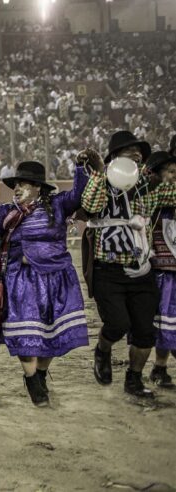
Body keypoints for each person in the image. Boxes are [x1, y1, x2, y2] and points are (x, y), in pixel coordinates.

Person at [0, 157, 96, 406]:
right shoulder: (7, 213)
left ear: (39, 187)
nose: (17, 189)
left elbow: (78, 194)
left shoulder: (58, 204)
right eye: (16, 184)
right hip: (21, 280)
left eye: (24, 184)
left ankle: (40, 373)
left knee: (50, 333)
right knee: (25, 332)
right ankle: (31, 379)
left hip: (57, 279)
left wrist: (81, 168)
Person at [83, 131, 176, 398]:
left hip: (142, 268)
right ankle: (102, 349)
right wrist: (101, 173)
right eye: (129, 150)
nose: (137, 154)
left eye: (139, 151)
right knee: (117, 324)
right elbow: (90, 205)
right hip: (107, 269)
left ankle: (133, 378)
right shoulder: (101, 183)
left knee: (145, 333)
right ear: (114, 157)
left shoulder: (151, 186)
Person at [146, 150, 176, 388]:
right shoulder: (154, 195)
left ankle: (160, 367)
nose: (175, 177)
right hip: (164, 269)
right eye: (171, 172)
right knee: (165, 320)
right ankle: (160, 366)